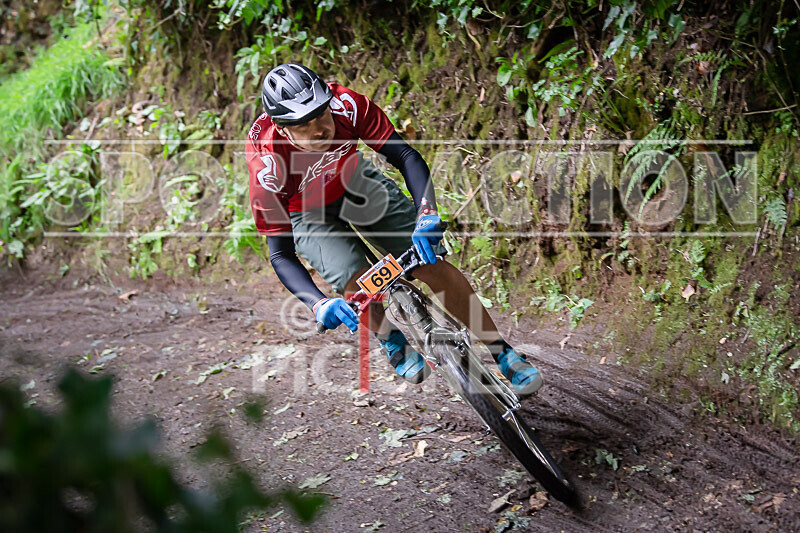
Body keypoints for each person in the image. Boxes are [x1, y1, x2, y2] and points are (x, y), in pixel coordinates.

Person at [245, 63, 542, 396]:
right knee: (350, 275)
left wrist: (426, 213)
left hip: (351, 180)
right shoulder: (267, 169)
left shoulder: (347, 105)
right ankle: (391, 338)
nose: (320, 130)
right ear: (284, 130)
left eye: (321, 116)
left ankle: (501, 350)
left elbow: (404, 155)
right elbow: (281, 254)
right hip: (304, 210)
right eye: (305, 126)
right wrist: (317, 304)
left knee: (429, 263)